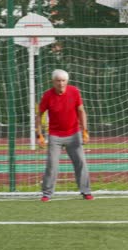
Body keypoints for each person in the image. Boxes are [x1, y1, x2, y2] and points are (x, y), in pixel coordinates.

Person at [36, 69, 94, 202]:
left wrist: (85, 131)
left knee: (81, 163)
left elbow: (81, 111)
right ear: (53, 82)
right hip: (55, 136)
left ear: (67, 81)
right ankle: (47, 193)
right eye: (58, 81)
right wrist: (39, 135)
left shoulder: (74, 91)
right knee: (52, 165)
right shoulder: (47, 96)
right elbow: (39, 115)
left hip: (74, 134)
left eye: (63, 81)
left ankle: (86, 191)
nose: (61, 83)